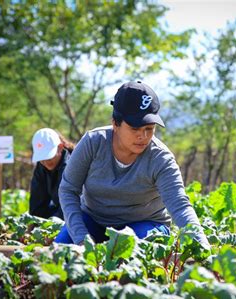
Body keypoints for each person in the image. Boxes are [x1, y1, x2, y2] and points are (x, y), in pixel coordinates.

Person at [56, 81, 209, 247]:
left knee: (131, 255)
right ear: (115, 123)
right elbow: (68, 189)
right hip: (95, 221)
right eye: (135, 128)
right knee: (62, 250)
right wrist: (81, 238)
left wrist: (202, 247)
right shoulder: (93, 143)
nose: (143, 136)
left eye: (149, 129)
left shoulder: (161, 159)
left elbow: (180, 206)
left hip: (145, 225)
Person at [29, 128, 75, 220]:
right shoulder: (41, 167)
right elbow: (37, 204)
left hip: (77, 215)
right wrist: (33, 223)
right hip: (58, 215)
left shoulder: (72, 166)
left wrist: (51, 225)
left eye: (49, 158)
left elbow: (71, 207)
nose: (45, 162)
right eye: (42, 159)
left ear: (60, 148)